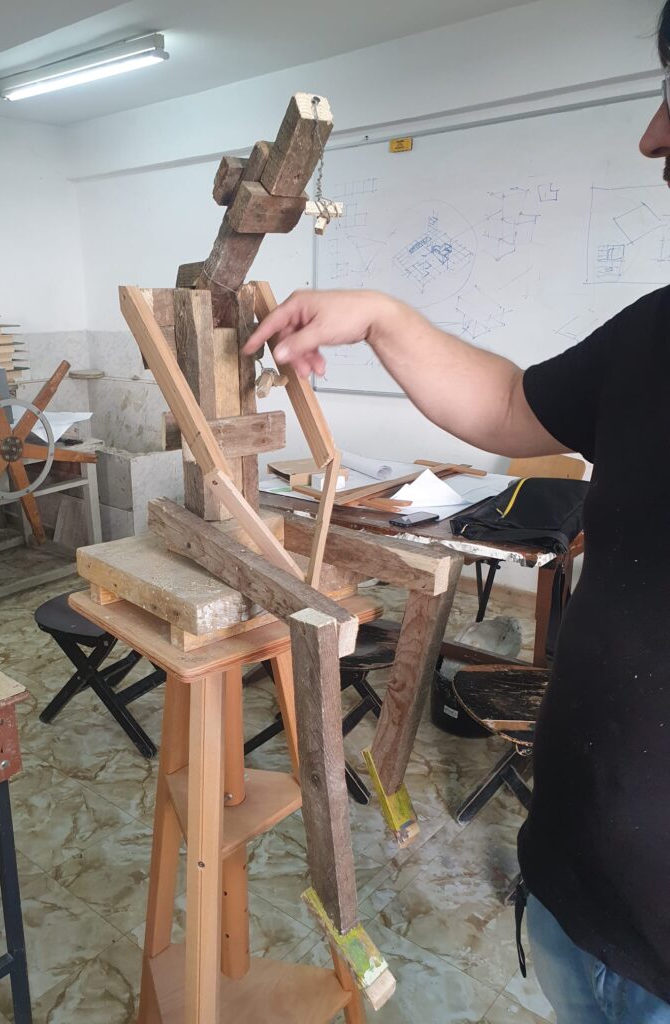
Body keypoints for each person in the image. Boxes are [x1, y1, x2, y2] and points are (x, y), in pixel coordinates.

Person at [244, 8, 670, 1022]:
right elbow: (512, 405)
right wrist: (385, 317)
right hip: (576, 892)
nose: (652, 138)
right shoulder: (658, 333)